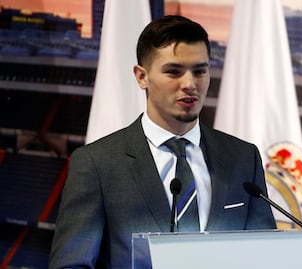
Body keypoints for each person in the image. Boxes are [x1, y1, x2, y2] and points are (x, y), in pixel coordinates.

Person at [49, 15, 276, 268]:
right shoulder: (97, 163)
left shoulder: (243, 158)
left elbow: (265, 257)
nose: (190, 84)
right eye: (173, 71)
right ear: (141, 76)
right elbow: (71, 265)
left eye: (200, 71)